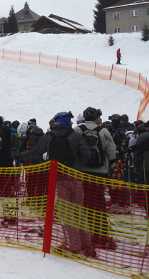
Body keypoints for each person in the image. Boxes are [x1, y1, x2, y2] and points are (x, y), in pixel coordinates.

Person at [17, 111, 94, 257]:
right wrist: (77, 166)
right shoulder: (75, 136)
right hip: (76, 177)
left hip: (57, 178)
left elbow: (36, 152)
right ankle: (86, 243)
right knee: (79, 210)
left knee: (66, 213)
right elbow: (86, 153)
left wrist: (20, 155)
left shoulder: (50, 136)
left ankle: (73, 245)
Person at [74, 107, 117, 250]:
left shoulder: (77, 130)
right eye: (99, 116)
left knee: (84, 202)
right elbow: (111, 152)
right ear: (95, 117)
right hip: (99, 173)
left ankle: (85, 232)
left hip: (82, 172)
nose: (101, 119)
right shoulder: (103, 131)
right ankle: (101, 234)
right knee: (99, 203)